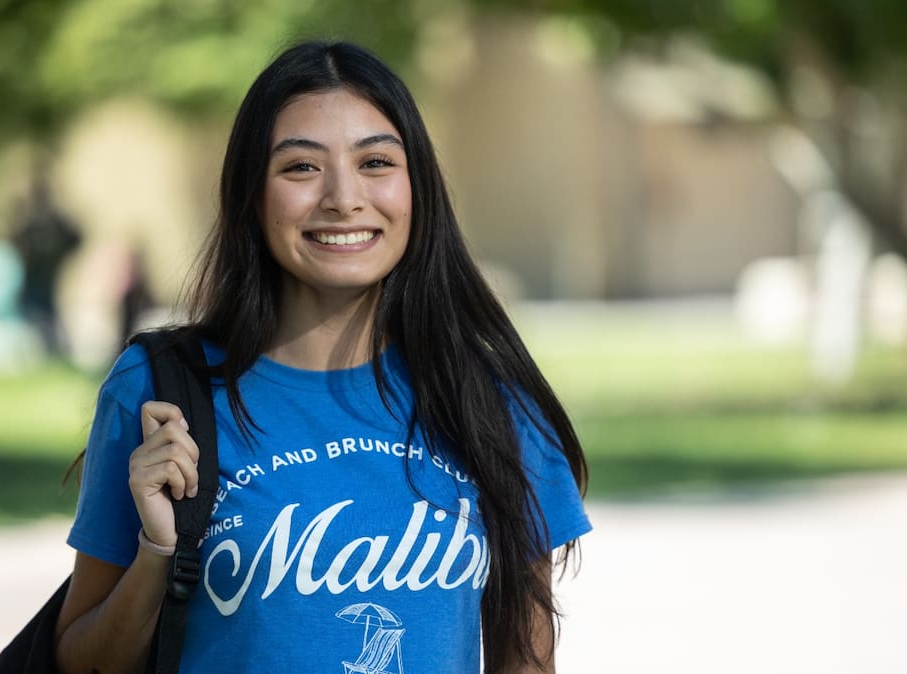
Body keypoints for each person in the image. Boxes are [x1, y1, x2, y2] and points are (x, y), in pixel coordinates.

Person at [54, 40, 590, 673]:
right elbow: (80, 663)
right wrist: (156, 550)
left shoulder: (493, 401)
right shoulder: (161, 391)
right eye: (302, 167)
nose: (343, 197)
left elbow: (526, 660)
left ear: (418, 187)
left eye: (376, 162)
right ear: (252, 195)